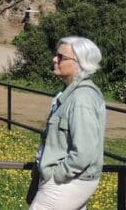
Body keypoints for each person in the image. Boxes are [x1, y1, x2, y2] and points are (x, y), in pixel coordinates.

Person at [29, 36, 106, 210]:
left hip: (68, 182)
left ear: (80, 63)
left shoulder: (82, 99)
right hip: (69, 181)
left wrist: (56, 175)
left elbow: (84, 152)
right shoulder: (70, 94)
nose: (54, 59)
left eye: (61, 57)